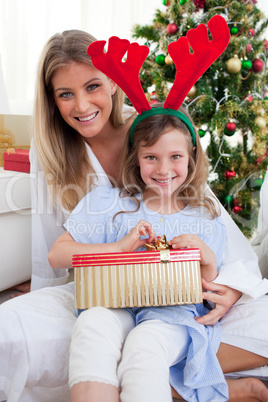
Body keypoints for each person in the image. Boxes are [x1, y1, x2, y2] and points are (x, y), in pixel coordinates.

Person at [0, 28, 268, 402]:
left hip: (177, 303)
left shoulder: (156, 128)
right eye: (65, 94)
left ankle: (180, 378)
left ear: (112, 82)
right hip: (103, 290)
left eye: (92, 86)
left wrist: (231, 290)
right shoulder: (55, 158)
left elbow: (217, 241)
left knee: (252, 318)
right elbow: (53, 257)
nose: (81, 105)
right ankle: (179, 380)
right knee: (15, 327)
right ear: (52, 100)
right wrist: (55, 306)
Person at [49, 105, 230, 401]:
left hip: (172, 315)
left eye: (175, 157)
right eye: (151, 158)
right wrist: (118, 248)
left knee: (144, 348)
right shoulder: (109, 203)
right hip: (113, 302)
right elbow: (57, 255)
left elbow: (208, 295)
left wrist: (207, 259)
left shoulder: (204, 218)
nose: (163, 169)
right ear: (136, 158)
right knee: (91, 327)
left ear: (191, 158)